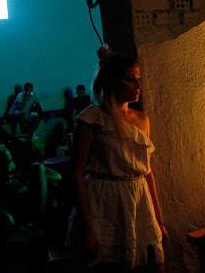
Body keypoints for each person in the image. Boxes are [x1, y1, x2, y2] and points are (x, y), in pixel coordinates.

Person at [66, 46, 168, 272]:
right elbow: (77, 173)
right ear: (112, 82)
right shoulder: (91, 119)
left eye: (139, 79)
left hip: (138, 201)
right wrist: (88, 227)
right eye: (131, 80)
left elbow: (147, 172)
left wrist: (159, 220)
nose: (138, 86)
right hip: (103, 202)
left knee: (153, 262)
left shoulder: (141, 119)